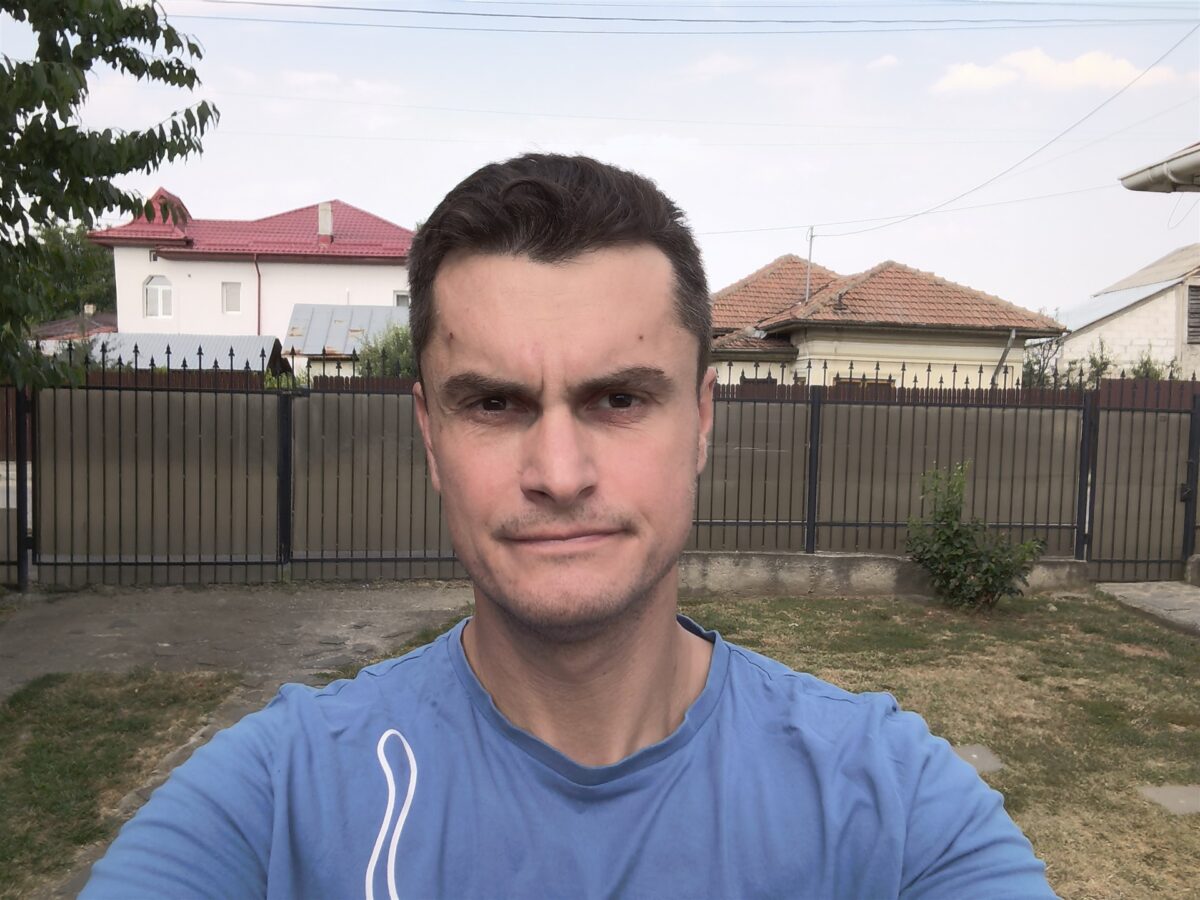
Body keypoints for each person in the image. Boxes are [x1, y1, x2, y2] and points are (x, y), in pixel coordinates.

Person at [82, 154, 1055, 899]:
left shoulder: (891, 807)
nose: (558, 474)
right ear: (430, 434)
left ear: (702, 420)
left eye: (619, 399)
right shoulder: (278, 802)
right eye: (494, 403)